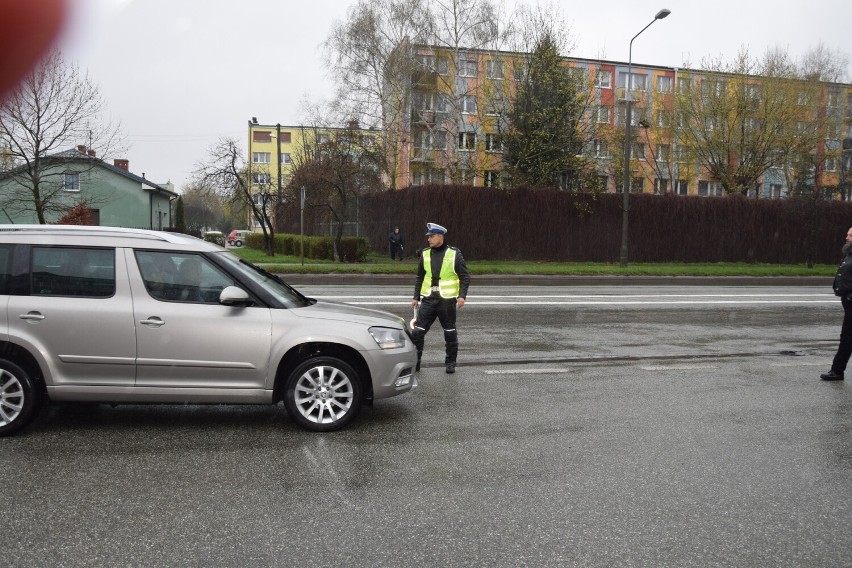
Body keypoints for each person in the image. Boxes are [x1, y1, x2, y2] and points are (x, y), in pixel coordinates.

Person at [410, 222, 470, 374]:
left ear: (441, 237)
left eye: (432, 236)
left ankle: (450, 363)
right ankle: (415, 363)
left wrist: (462, 296)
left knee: (450, 332)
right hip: (429, 299)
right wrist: (416, 297)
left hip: (446, 301)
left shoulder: (454, 253)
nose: (429, 239)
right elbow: (420, 277)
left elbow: (465, 276)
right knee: (417, 332)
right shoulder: (425, 253)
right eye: (428, 237)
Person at [821, 226, 852, 381]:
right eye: (847, 234)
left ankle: (837, 370)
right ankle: (837, 370)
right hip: (848, 301)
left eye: (850, 235)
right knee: (847, 337)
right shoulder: (849, 253)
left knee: (847, 337)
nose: (847, 237)